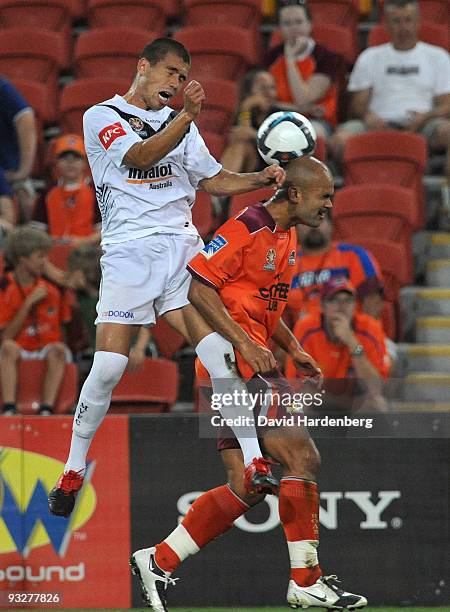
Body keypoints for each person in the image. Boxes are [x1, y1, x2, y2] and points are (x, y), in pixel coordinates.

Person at [47, 37, 287, 518]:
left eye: (182, 77)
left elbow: (213, 179)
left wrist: (260, 178)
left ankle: (257, 460)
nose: (176, 84)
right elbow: (137, 157)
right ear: (143, 67)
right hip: (128, 253)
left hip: (180, 247)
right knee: (109, 368)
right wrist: (187, 117)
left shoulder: (182, 126)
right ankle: (72, 470)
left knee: (219, 352)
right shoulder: (102, 116)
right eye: (171, 73)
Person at [130, 157, 367, 612]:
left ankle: (158, 560)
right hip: (235, 364)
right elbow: (198, 286)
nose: (329, 206)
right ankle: (307, 580)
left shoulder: (288, 234)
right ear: (295, 194)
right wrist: (245, 344)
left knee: (247, 486)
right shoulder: (248, 225)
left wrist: (293, 345)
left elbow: (264, 304)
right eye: (324, 197)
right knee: (302, 456)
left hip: (247, 360)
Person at [328, 0, 450, 191]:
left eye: (408, 20)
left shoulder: (438, 57)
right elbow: (357, 105)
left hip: (424, 124)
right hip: (376, 123)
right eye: (396, 21)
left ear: (418, 22)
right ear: (386, 25)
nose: (403, 27)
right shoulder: (370, 56)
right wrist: (369, 117)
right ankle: (360, 190)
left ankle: (446, 201)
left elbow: (446, 105)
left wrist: (425, 118)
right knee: (339, 141)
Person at [285, 277, 390, 412]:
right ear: (322, 306)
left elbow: (376, 387)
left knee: (378, 404)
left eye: (347, 301)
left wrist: (352, 343)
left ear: (355, 306)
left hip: (355, 404)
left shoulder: (370, 327)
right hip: (320, 401)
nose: (341, 307)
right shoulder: (306, 328)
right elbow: (295, 384)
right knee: (295, 403)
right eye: (334, 300)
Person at [0, 227, 72, 416]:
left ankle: (46, 409)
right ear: (23, 260)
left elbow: (62, 333)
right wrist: (28, 303)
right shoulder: (5, 288)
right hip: (18, 347)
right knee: (7, 347)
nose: (45, 262)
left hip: (44, 348)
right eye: (40, 256)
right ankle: (9, 408)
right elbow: (6, 336)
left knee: (58, 349)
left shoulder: (53, 290)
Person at [264, 0, 342, 141]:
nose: (294, 28)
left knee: (305, 135)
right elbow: (262, 101)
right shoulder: (270, 57)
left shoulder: (326, 58)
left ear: (309, 24)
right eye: (287, 23)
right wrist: (302, 109)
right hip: (277, 119)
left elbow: (302, 98)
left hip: (317, 122)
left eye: (299, 22)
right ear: (279, 28)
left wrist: (290, 60)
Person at [287, 210, 383, 321]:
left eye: (319, 218)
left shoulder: (355, 256)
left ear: (331, 225)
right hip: (302, 334)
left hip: (350, 332)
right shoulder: (285, 263)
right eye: (306, 221)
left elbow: (373, 303)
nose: (313, 225)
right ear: (295, 228)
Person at [220, 68, 296, 174]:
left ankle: (223, 186)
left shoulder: (283, 115)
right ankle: (223, 185)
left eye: (272, 88)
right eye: (263, 88)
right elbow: (242, 136)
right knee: (240, 145)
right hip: (251, 165)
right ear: (249, 91)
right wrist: (246, 108)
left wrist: (253, 135)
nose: (269, 93)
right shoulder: (245, 110)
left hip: (277, 166)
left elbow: (287, 147)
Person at [31, 134, 101, 246]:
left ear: (85, 162)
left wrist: (83, 242)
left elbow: (104, 230)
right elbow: (37, 231)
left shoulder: (97, 192)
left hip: (89, 253)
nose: (70, 162)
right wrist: (52, 242)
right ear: (56, 162)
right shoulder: (47, 193)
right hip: (54, 252)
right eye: (64, 158)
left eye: (76, 158)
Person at [0, 77, 37, 222]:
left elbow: (25, 117)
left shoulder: (2, 88)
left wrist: (24, 170)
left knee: (24, 197)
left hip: (9, 171)